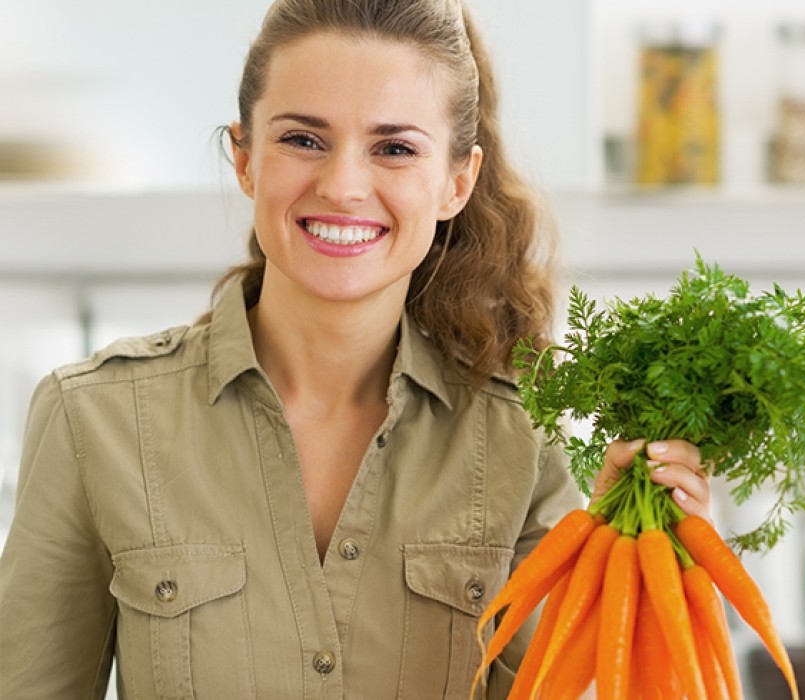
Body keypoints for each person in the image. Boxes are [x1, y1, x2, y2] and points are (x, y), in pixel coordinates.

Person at [0, 1, 715, 697]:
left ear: (456, 182)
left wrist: (634, 568)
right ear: (243, 158)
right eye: (303, 139)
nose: (343, 186)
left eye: (395, 149)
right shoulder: (93, 419)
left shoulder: (522, 440)